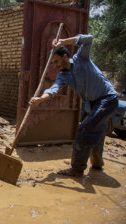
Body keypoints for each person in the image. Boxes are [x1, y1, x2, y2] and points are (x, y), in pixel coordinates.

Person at [29, 34, 118, 177]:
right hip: (93, 104)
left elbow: (89, 39)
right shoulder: (63, 76)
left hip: (107, 98)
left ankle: (77, 169)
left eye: (56, 61)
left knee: (84, 129)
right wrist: (40, 99)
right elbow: (53, 89)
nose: (56, 66)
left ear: (65, 56)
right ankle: (97, 165)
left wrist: (63, 41)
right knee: (97, 132)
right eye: (53, 63)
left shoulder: (81, 58)